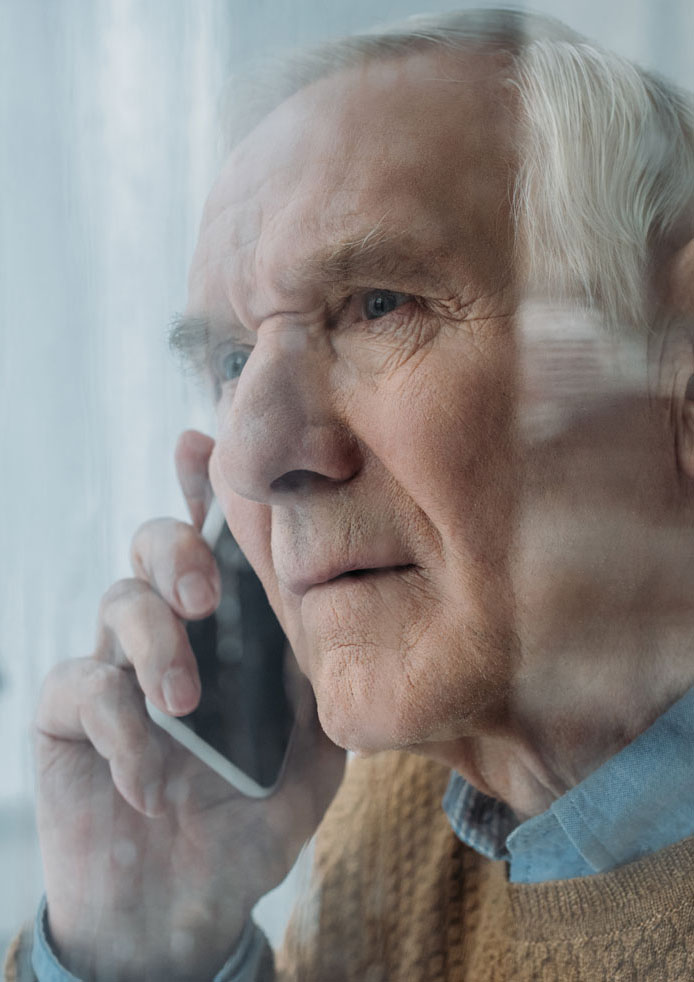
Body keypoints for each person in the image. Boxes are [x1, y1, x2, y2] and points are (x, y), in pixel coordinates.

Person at [6, 8, 694, 980]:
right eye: (233, 357)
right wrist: (140, 948)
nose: (249, 454)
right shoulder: (401, 824)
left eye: (379, 305)